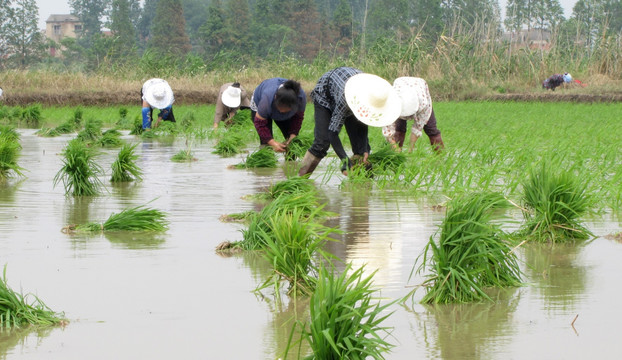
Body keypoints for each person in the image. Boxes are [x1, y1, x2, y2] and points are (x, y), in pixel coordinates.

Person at [298, 67, 401, 176]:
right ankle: (300, 179)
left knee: (361, 150)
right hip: (325, 94)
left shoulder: (373, 93)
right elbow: (332, 133)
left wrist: (364, 149)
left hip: (347, 88)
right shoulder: (346, 99)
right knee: (322, 143)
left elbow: (362, 122)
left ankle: (360, 184)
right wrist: (344, 160)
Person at [382, 77, 444, 153]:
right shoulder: (391, 103)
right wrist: (395, 148)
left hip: (420, 91)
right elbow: (388, 131)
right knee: (399, 128)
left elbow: (417, 128)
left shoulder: (423, 103)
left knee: (431, 129)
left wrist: (410, 149)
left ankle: (441, 157)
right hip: (401, 88)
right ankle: (395, 155)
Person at [250, 78, 306, 152]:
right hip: (260, 102)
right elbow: (260, 124)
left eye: (286, 110)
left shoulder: (300, 98)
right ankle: (266, 159)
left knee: (292, 143)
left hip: (280, 102)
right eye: (280, 108)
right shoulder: (267, 99)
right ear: (275, 99)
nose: (282, 111)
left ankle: (291, 161)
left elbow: (297, 118)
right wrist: (272, 143)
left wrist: (293, 135)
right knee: (266, 144)